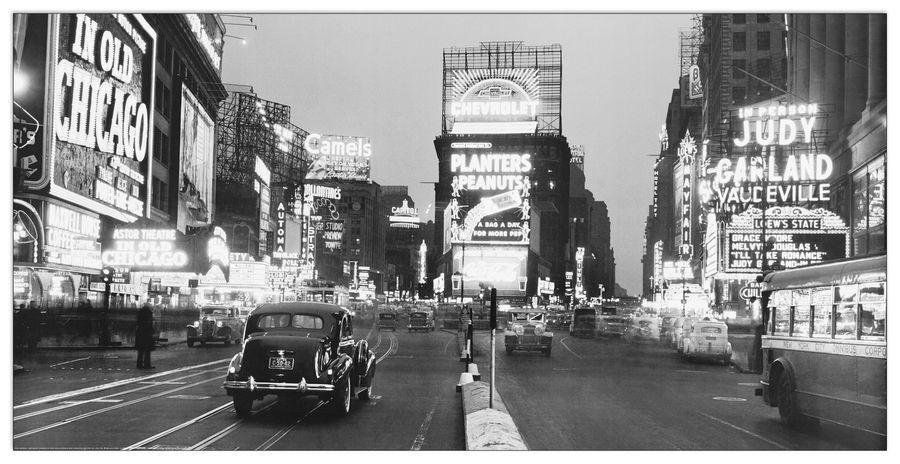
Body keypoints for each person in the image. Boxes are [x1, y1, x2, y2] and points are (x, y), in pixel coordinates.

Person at [135, 304, 156, 369]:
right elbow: (150, 325)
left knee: (140, 351)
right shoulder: (149, 315)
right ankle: (147, 365)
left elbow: (137, 324)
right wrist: (152, 331)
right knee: (147, 351)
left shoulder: (140, 315)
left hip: (140, 335)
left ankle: (139, 364)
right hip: (147, 335)